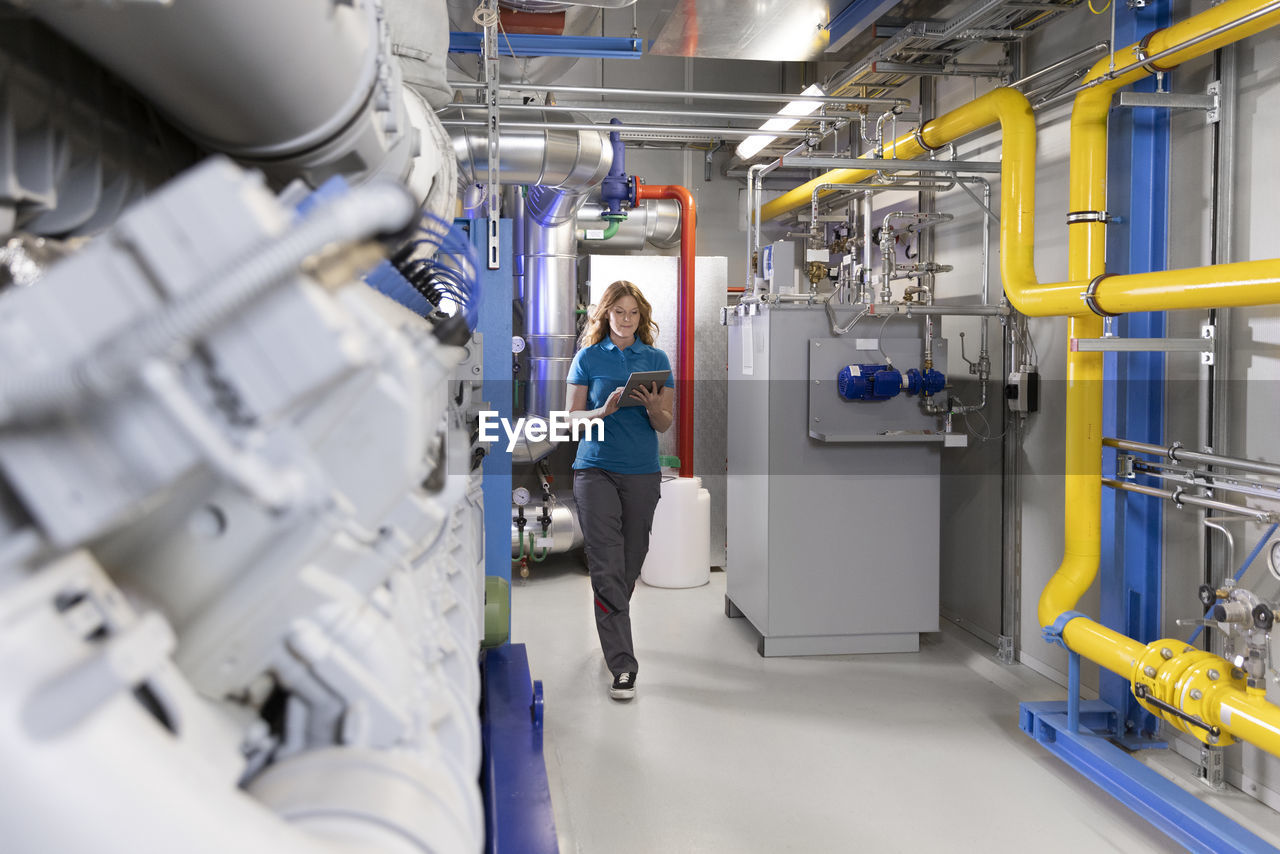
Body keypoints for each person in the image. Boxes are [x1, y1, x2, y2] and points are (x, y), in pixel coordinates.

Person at [565, 280, 674, 701]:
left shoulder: (656, 359)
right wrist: (602, 409)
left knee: (631, 561)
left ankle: (611, 626)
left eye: (633, 313)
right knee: (607, 566)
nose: (626, 320)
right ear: (605, 315)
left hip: (642, 472)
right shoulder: (588, 358)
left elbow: (665, 424)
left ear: (640, 317)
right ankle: (623, 665)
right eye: (618, 312)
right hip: (595, 471)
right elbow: (570, 419)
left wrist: (652, 407)